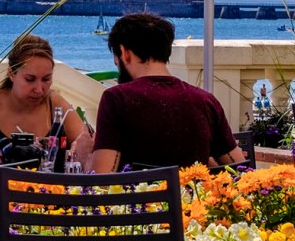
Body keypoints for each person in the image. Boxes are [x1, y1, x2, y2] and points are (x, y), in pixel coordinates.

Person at [91, 13, 245, 172]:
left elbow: (101, 182)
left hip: (140, 196)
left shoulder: (116, 99)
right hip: (194, 195)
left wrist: (84, 155)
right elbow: (241, 170)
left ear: (124, 53)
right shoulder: (205, 101)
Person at [0, 34, 91, 166]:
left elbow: (86, 143)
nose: (39, 89)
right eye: (30, 79)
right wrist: (3, 155)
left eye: (46, 79)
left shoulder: (54, 103)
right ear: (12, 74)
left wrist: (79, 149)